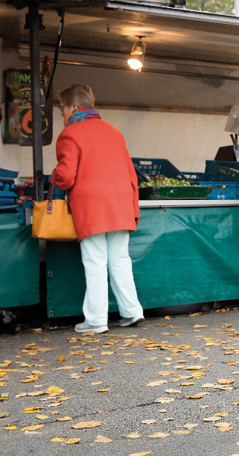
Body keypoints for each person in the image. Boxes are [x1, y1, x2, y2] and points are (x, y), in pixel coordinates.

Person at [52, 83, 144, 334]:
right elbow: (130, 174)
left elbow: (66, 176)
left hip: (93, 207)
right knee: (120, 260)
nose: (62, 114)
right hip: (121, 204)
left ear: (73, 107)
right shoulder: (113, 131)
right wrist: (133, 209)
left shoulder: (70, 134)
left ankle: (95, 320)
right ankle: (132, 311)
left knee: (95, 261)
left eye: (62, 108)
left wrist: (54, 178)